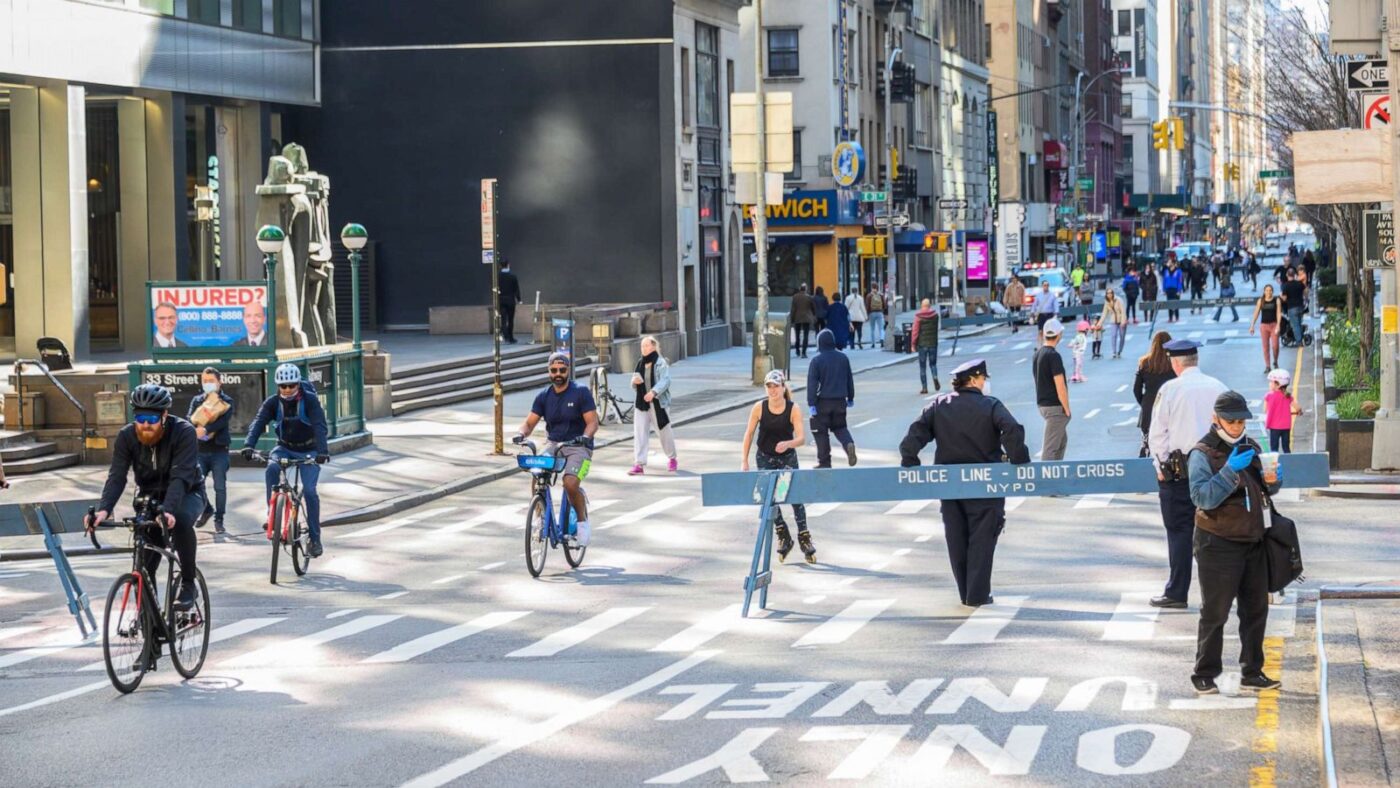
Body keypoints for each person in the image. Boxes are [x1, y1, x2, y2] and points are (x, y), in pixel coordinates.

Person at [899, 358, 1030, 606]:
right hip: (986, 484)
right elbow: (1011, 429)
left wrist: (910, 459)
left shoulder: (939, 405)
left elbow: (915, 434)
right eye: (983, 379)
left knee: (956, 539)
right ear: (973, 380)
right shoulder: (990, 405)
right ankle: (977, 595)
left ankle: (965, 593)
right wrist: (1018, 458)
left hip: (950, 486)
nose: (984, 383)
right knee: (982, 539)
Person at [1188, 391, 1283, 695]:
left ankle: (1252, 671)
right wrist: (1230, 470)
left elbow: (1267, 489)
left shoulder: (1252, 446)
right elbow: (1202, 497)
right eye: (1230, 420)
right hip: (1217, 542)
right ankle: (1204, 672)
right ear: (1216, 419)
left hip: (1253, 540)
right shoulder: (1202, 452)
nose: (1236, 425)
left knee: (1256, 611)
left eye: (1241, 420)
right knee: (1215, 612)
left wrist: (1273, 480)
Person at [88, 385, 207, 611]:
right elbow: (117, 476)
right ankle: (149, 627)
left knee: (181, 520)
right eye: (140, 418)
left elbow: (180, 477)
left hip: (188, 492)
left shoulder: (184, 432)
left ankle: (189, 584)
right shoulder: (126, 436)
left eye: (151, 418)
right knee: (144, 562)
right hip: (149, 497)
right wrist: (104, 510)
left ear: (164, 415)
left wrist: (169, 510)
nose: (145, 424)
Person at [1147, 338, 1228, 608]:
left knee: (1180, 532)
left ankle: (1177, 592)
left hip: (1178, 472)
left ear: (1175, 363)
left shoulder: (1169, 389)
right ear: (1196, 360)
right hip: (1215, 470)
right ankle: (1219, 591)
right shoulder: (1219, 387)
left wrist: (1160, 468)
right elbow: (1231, 430)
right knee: (1217, 532)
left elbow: (1157, 433)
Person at [242, 363, 331, 557]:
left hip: (310, 450)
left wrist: (322, 451)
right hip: (285, 447)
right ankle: (273, 515)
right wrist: (249, 445)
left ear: (298, 384)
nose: (288, 389)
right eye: (283, 386)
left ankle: (315, 539)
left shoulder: (310, 400)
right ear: (278, 386)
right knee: (271, 468)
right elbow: (258, 423)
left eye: (292, 385)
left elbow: (319, 425)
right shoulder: (273, 402)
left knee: (309, 491)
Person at [513, 353, 599, 546]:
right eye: (554, 370)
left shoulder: (581, 392)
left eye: (562, 370)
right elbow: (529, 423)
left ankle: (582, 523)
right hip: (553, 444)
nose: (558, 374)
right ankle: (540, 517)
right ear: (548, 371)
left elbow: (593, 423)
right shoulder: (543, 396)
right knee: (537, 474)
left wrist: (585, 437)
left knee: (570, 483)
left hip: (579, 447)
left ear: (568, 370)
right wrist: (521, 433)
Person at [741, 370, 815, 563]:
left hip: (787, 458)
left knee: (794, 496)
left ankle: (804, 537)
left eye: (776, 386)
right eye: (769, 387)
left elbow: (801, 438)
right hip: (765, 456)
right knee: (769, 499)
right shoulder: (759, 407)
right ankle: (783, 535)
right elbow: (748, 434)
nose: (772, 390)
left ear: (783, 387)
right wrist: (744, 460)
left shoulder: (793, 408)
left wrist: (788, 444)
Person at [189, 366, 234, 534]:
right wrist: (195, 428)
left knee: (220, 486)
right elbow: (189, 417)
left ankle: (219, 519)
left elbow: (222, 422)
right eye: (204, 381)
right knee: (196, 483)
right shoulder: (197, 400)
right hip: (199, 450)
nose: (207, 384)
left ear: (219, 382)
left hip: (219, 450)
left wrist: (206, 430)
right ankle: (207, 509)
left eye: (211, 381)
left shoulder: (227, 402)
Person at [807, 328, 857, 468]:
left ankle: (824, 462)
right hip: (840, 401)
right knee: (840, 427)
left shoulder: (817, 361)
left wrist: (811, 403)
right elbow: (849, 379)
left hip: (823, 402)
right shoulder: (843, 358)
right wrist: (850, 397)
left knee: (820, 431)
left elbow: (812, 383)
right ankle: (848, 445)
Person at [628, 335, 677, 475]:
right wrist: (634, 382)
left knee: (664, 432)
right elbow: (633, 384)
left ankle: (672, 458)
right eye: (642, 346)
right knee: (640, 433)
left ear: (654, 346)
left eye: (647, 345)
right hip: (641, 404)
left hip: (658, 404)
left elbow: (666, 381)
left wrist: (654, 392)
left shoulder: (661, 363)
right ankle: (639, 464)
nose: (644, 349)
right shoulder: (640, 363)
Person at [1032, 318, 1071, 460]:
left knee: (1061, 442)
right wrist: (1067, 409)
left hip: (1042, 404)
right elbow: (1060, 384)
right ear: (1059, 334)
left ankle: (1057, 473)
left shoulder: (1038, 354)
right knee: (1050, 450)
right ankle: (1047, 478)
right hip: (1054, 406)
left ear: (1044, 334)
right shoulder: (1054, 356)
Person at [1133, 331, 1177, 457]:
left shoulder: (1144, 362)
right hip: (1170, 408)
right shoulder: (1174, 363)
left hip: (1149, 408)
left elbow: (1136, 389)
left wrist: (1144, 402)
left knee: (1147, 441)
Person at [1264, 369, 1303, 453]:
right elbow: (1297, 407)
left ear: (1277, 384)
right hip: (1286, 426)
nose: (1269, 384)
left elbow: (1265, 409)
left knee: (1274, 448)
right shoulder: (1288, 395)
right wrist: (1299, 411)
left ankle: (1275, 464)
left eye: (1271, 382)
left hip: (1274, 427)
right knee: (1286, 447)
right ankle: (1289, 462)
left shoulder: (1269, 396)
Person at [1248, 284, 1283, 373]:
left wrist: (1278, 325)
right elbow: (1256, 313)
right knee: (1265, 347)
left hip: (1274, 325)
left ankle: (1275, 361)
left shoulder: (1276, 300)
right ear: (1264, 291)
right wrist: (1252, 325)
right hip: (1264, 326)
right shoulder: (1261, 300)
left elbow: (1279, 313)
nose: (1268, 292)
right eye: (1267, 290)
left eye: (1270, 290)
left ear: (1272, 291)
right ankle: (1267, 366)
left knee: (1275, 346)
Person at [911, 298, 941, 394]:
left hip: (922, 344)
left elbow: (915, 332)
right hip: (933, 344)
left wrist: (913, 344)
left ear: (921, 306)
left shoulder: (918, 317)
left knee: (922, 367)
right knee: (933, 364)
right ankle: (935, 377)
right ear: (929, 306)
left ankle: (924, 388)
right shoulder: (935, 316)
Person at [1096, 288, 1128, 359]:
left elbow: (1123, 311)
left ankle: (1119, 351)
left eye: (1110, 293)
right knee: (1113, 335)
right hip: (1113, 320)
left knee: (1122, 336)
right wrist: (1099, 323)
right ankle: (1114, 352)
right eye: (1108, 293)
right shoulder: (1107, 302)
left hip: (1121, 319)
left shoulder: (1119, 300)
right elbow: (1104, 313)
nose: (1109, 294)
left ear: (1113, 293)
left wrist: (1123, 322)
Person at [498, 256, 523, 344]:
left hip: (501, 300)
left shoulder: (498, 276)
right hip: (510, 301)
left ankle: (505, 336)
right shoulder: (512, 276)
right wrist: (519, 299)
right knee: (511, 319)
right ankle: (511, 337)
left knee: (503, 319)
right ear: (508, 265)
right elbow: (516, 288)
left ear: (500, 266)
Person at [1281, 268, 1306, 348]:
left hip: (1292, 307)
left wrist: (1281, 296)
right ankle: (1301, 338)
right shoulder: (1299, 284)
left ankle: (1299, 342)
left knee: (1295, 325)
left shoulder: (1286, 286)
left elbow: (1284, 298)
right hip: (1300, 306)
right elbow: (1306, 291)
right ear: (1295, 274)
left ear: (1287, 275)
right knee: (1299, 323)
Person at [1030, 280, 1061, 346]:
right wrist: (1032, 314)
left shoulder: (1052, 295)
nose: (1046, 286)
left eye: (1047, 285)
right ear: (1042, 286)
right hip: (1041, 315)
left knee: (1048, 331)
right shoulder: (1038, 295)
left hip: (1049, 315)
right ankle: (1039, 345)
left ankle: (1047, 344)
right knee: (1040, 331)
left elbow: (1056, 305)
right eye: (1044, 285)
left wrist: (1056, 314)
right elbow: (1034, 305)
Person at [789, 284, 816, 359]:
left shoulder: (795, 297)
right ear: (806, 289)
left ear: (799, 289)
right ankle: (804, 352)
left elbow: (793, 308)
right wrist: (813, 315)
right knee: (805, 335)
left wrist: (792, 318)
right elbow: (813, 307)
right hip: (806, 318)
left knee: (797, 335)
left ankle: (797, 350)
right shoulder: (809, 297)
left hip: (797, 317)